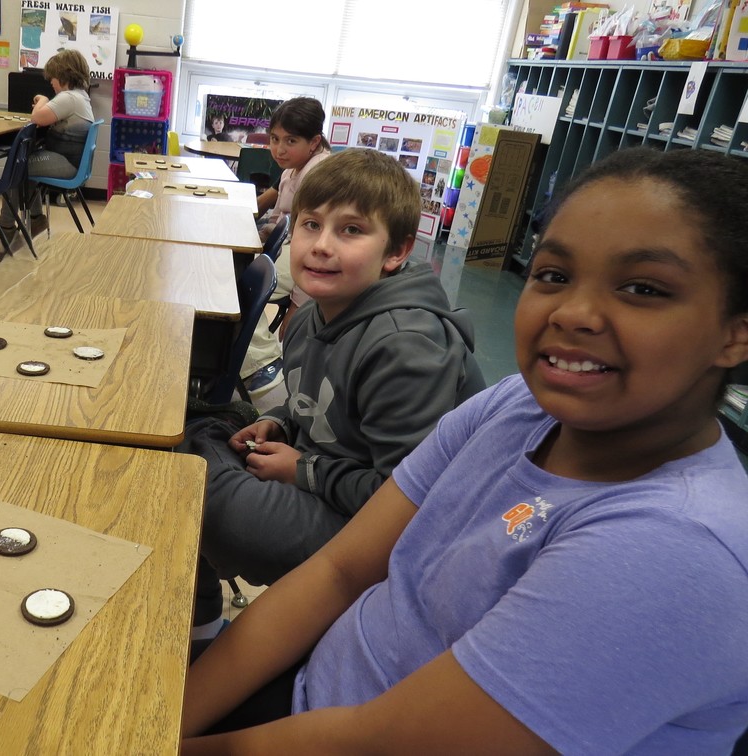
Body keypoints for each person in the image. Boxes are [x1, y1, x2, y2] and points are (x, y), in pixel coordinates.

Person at [181, 147, 748, 753]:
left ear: (735, 333)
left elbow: (385, 742)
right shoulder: (515, 406)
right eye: (554, 275)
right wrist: (167, 717)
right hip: (318, 686)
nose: (574, 313)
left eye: (643, 288)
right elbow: (339, 572)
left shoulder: (671, 548)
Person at [181, 148, 485, 643]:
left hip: (395, 537)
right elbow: (313, 402)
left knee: (202, 495)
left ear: (396, 252)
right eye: (310, 224)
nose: (321, 245)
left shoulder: (405, 347)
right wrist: (279, 421)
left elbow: (407, 501)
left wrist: (302, 469)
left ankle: (206, 626)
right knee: (187, 453)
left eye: (351, 230)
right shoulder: (310, 316)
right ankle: (201, 627)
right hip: (335, 480)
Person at [242, 96, 331, 398]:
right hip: (283, 251)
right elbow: (273, 211)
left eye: (290, 140)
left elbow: (318, 247)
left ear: (314, 141)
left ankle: (264, 362)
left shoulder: (318, 176)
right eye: (274, 139)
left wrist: (299, 302)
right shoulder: (293, 169)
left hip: (300, 259)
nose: (279, 149)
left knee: (236, 290)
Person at [0, 48, 93, 239]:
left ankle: (5, 229)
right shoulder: (80, 95)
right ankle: (35, 219)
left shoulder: (69, 98)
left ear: (64, 75)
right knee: (28, 164)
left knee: (17, 167)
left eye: (53, 78)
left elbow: (36, 118)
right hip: (71, 161)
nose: (51, 82)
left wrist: (43, 99)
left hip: (67, 164)